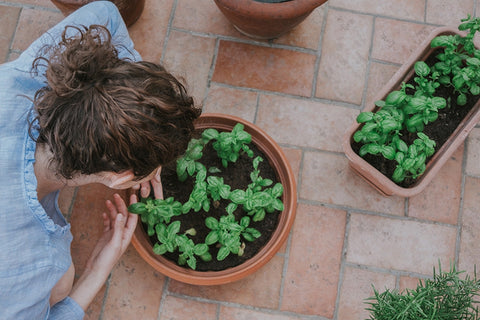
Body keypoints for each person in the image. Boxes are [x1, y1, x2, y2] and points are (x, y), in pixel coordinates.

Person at [0, 1, 201, 319]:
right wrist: (96, 270)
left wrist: (132, 117)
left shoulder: (25, 78)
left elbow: (106, 12)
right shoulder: (30, 262)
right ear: (119, 178)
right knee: (61, 283)